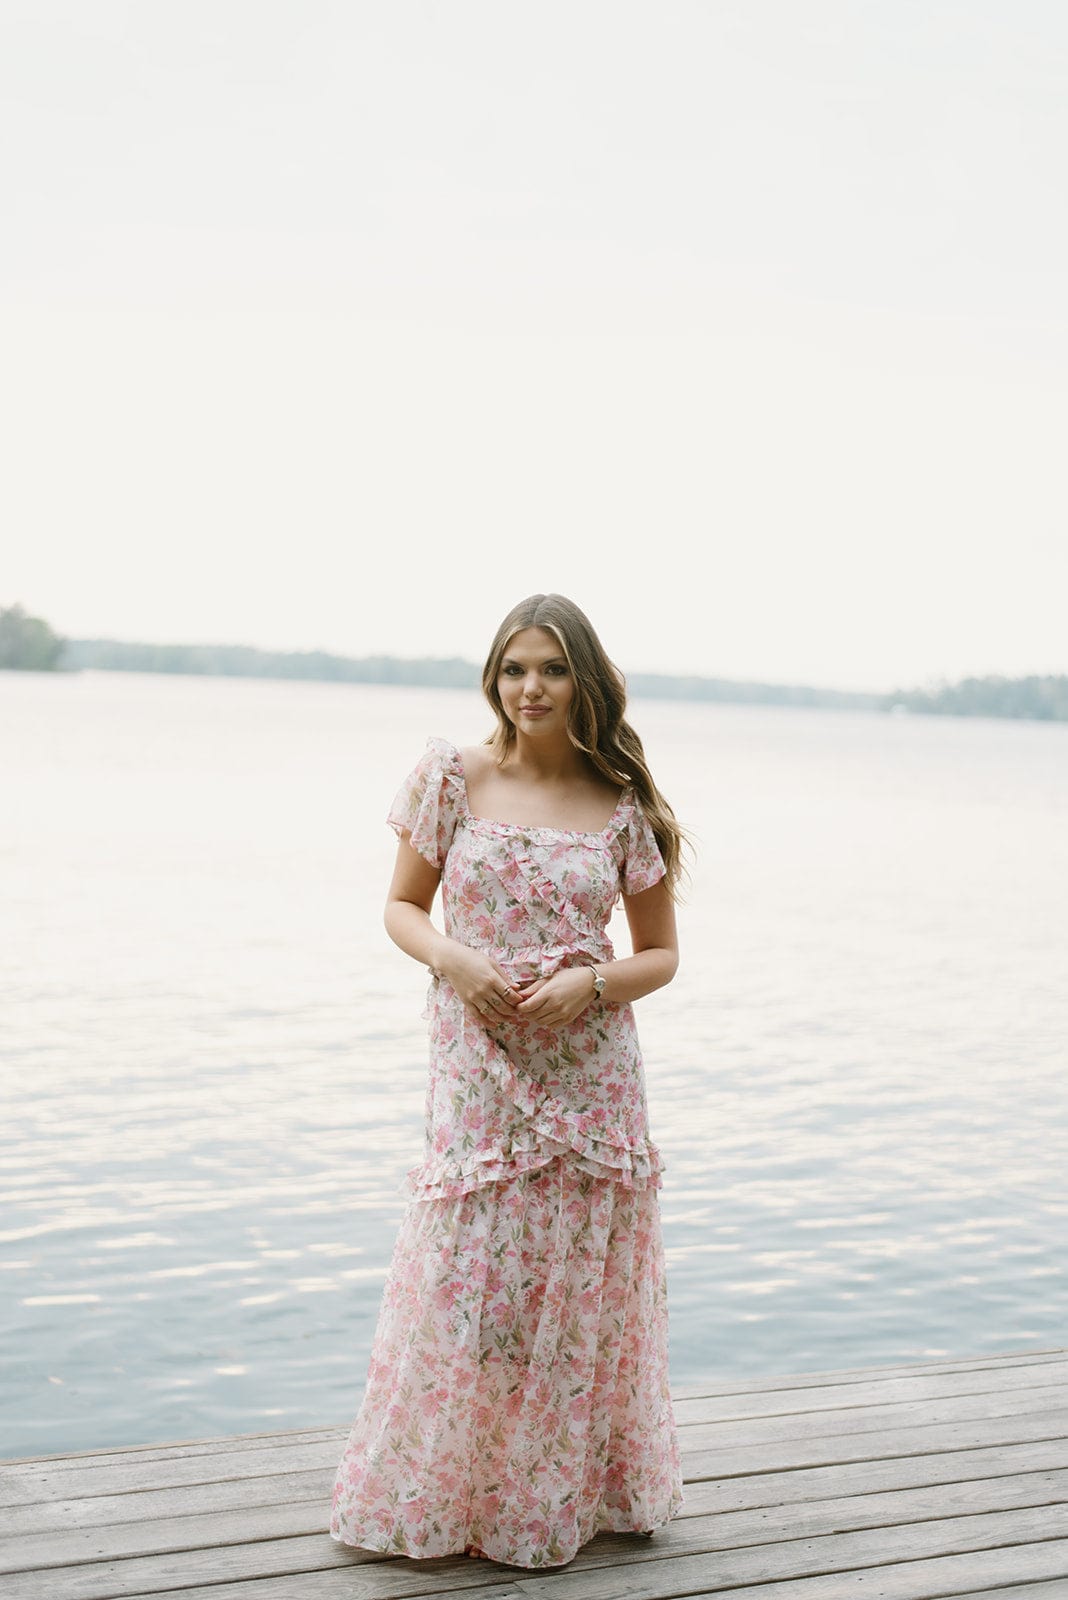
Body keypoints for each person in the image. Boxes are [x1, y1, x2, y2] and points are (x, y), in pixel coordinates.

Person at [329, 593, 687, 1569]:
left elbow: (661, 955)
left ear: (587, 680)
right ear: (495, 676)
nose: (532, 687)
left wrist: (595, 983)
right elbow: (402, 907)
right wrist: (454, 958)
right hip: (478, 1057)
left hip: (590, 1064)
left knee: (577, 1275)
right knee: (474, 1269)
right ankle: (451, 1484)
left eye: (553, 668)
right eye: (516, 667)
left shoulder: (621, 802)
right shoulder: (452, 772)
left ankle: (563, 1494)